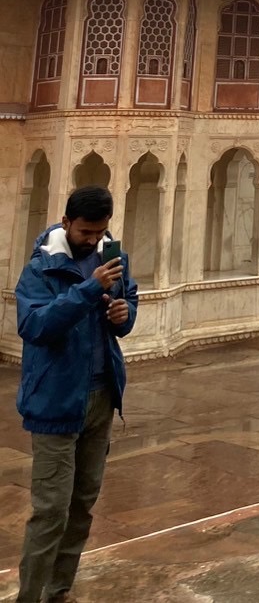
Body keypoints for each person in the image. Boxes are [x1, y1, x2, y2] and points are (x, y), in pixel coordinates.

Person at [15, 184, 138, 603]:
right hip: (55, 400)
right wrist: (88, 290)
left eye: (99, 231)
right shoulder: (40, 268)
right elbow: (36, 328)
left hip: (101, 397)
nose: (92, 240)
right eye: (85, 232)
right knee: (51, 509)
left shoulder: (110, 256)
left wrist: (124, 316)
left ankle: (58, 589)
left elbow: (127, 302)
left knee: (83, 503)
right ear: (66, 223)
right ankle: (29, 595)